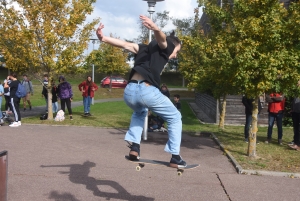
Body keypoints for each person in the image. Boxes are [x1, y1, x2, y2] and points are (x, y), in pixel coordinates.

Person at [96, 15, 186, 168]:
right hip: (146, 89)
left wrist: (103, 38)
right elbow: (163, 40)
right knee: (175, 117)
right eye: (176, 52)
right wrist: (156, 28)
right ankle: (175, 157)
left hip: (129, 91)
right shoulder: (166, 47)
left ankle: (135, 148)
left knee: (139, 113)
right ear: (173, 45)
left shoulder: (142, 48)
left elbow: (124, 44)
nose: (175, 55)